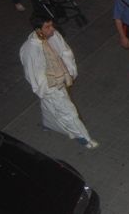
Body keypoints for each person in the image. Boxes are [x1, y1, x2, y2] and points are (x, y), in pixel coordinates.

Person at [19, 16, 99, 149]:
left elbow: (65, 52)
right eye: (47, 27)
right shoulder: (31, 50)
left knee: (49, 106)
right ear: (39, 30)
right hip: (50, 87)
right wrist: (47, 90)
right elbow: (33, 74)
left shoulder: (53, 36)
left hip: (61, 79)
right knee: (68, 111)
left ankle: (49, 123)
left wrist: (71, 72)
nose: (52, 29)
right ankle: (82, 137)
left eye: (51, 25)